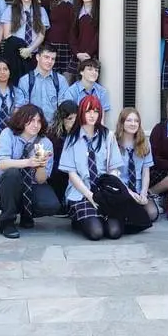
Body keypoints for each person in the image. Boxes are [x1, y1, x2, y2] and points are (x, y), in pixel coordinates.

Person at [58, 94, 124, 240]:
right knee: (96, 233)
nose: (92, 115)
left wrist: (108, 189)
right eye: (88, 111)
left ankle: (94, 218)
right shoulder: (72, 138)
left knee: (114, 232)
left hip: (104, 192)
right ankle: (79, 219)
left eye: (95, 111)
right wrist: (90, 196)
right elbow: (72, 174)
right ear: (81, 112)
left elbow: (114, 167)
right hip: (81, 193)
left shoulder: (108, 136)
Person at [0, 104, 59, 239]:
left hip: (31, 185)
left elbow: (41, 180)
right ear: (22, 119)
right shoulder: (8, 134)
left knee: (51, 204)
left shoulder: (46, 142)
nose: (35, 125)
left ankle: (26, 215)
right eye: (31, 120)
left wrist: (41, 165)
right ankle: (7, 222)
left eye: (39, 121)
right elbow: (1, 163)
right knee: (13, 173)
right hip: (6, 185)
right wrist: (27, 162)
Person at [0, 0, 49, 84]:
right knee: (15, 83)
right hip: (15, 54)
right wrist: (22, 49)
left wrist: (30, 49)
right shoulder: (10, 10)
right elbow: (7, 35)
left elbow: (42, 34)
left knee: (32, 83)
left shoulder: (41, 11)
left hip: (33, 53)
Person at [115, 107, 159, 223]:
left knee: (152, 214)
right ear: (122, 122)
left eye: (136, 121)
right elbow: (113, 174)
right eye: (129, 120)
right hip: (121, 188)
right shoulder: (113, 142)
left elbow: (145, 172)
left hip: (139, 188)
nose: (133, 124)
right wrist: (129, 193)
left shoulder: (144, 142)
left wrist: (144, 193)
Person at [19, 45, 69, 121]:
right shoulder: (25, 80)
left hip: (53, 128)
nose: (50, 61)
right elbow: (22, 109)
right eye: (46, 57)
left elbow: (64, 108)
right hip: (32, 127)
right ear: (37, 57)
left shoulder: (61, 80)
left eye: (53, 59)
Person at [43, 0, 77, 79]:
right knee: (51, 77)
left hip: (70, 45)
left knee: (67, 79)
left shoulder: (77, 0)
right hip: (52, 43)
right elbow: (42, 20)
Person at [46, 101, 78, 208]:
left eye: (76, 118)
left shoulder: (82, 133)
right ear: (62, 119)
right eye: (69, 119)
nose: (73, 122)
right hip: (57, 174)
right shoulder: (52, 135)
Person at [69, 0, 99, 77]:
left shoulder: (100, 11)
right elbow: (72, 35)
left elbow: (98, 35)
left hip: (93, 56)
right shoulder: (76, 11)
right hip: (77, 56)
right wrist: (77, 53)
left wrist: (88, 53)